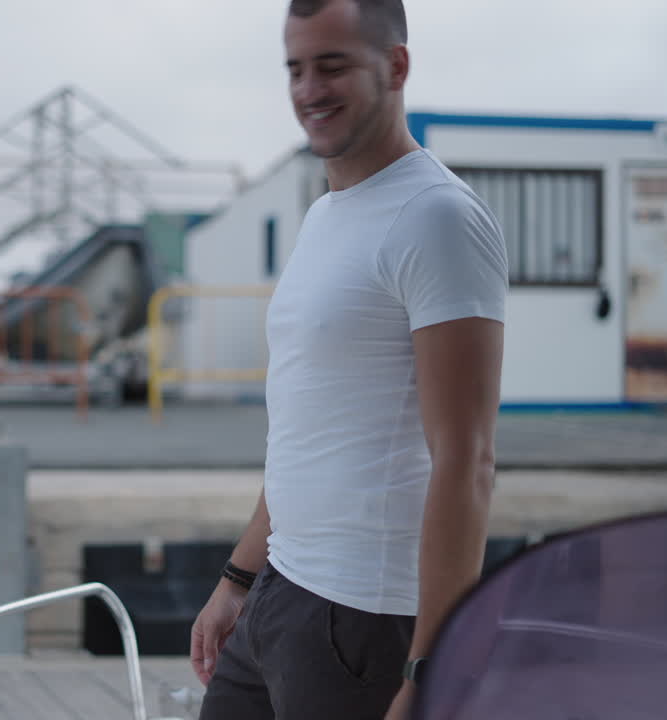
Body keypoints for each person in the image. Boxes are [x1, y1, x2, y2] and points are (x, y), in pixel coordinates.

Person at [190, 1, 508, 718]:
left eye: (332, 66)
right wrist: (238, 578)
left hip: (364, 619)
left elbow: (467, 458)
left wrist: (433, 669)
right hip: (282, 591)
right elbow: (310, 429)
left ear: (395, 66)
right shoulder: (326, 213)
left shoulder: (438, 218)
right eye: (296, 69)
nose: (308, 90)